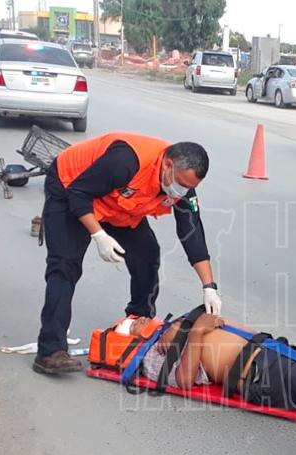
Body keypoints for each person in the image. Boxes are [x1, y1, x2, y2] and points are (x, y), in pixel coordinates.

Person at [33, 132, 223, 375]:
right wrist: (98, 235)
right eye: (180, 184)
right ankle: (50, 351)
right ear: (167, 164)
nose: (181, 192)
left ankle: (138, 322)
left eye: (189, 188)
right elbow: (78, 193)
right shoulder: (126, 161)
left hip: (117, 203)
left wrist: (209, 286)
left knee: (147, 255)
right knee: (65, 266)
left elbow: (192, 232)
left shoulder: (182, 187)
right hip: (70, 187)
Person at [124, 311, 296, 425]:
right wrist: (194, 332)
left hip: (270, 350)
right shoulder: (150, 356)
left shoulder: (171, 329)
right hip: (258, 374)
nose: (142, 318)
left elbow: (212, 320)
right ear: (134, 339)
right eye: (134, 324)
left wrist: (182, 327)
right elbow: (183, 381)